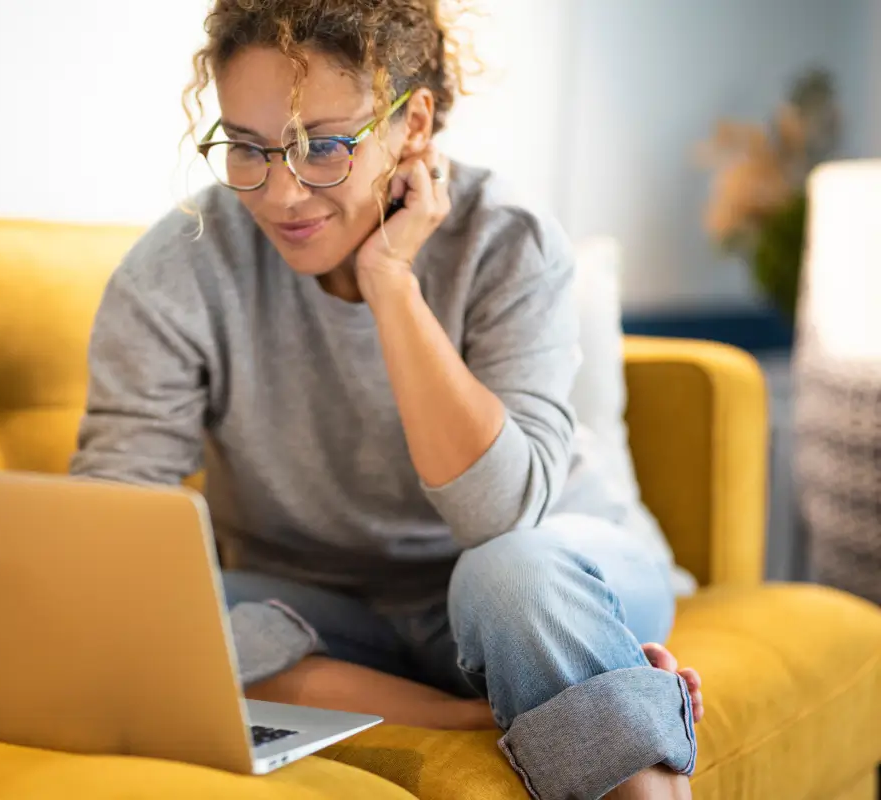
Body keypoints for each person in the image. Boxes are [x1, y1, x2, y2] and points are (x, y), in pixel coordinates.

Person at [70, 1, 703, 797]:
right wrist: (442, 714)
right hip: (322, 616)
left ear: (414, 126)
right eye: (247, 148)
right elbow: (106, 534)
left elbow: (499, 517)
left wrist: (391, 284)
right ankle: (468, 704)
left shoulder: (507, 241)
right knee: (114, 610)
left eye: (324, 146)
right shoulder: (176, 271)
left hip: (537, 578)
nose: (282, 194)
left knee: (511, 576)